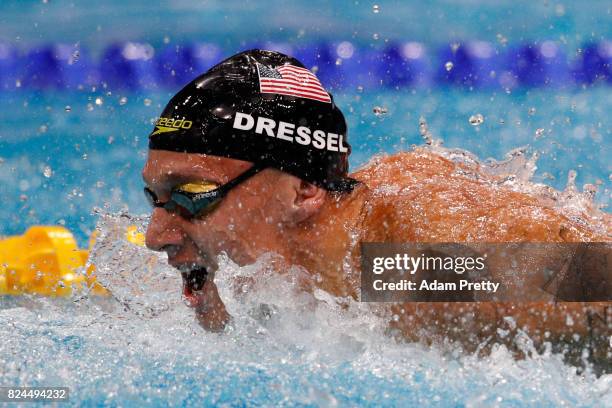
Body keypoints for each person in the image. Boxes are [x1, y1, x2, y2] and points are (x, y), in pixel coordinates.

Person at [142, 50, 610, 365]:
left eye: (193, 195)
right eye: (157, 199)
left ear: (304, 188)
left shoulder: (408, 266)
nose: (155, 235)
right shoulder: (297, 266)